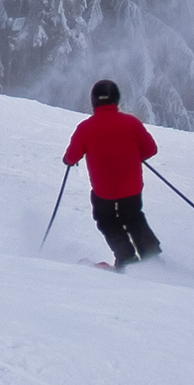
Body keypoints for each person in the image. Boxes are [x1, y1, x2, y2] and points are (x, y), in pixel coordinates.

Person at [63, 80, 164, 269]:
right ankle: (151, 257)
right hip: (131, 188)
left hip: (104, 191)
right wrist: (134, 156)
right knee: (133, 217)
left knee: (107, 220)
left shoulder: (85, 128)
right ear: (116, 100)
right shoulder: (131, 123)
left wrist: (69, 160)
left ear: (93, 101)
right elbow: (151, 149)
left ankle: (126, 258)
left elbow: (71, 156)